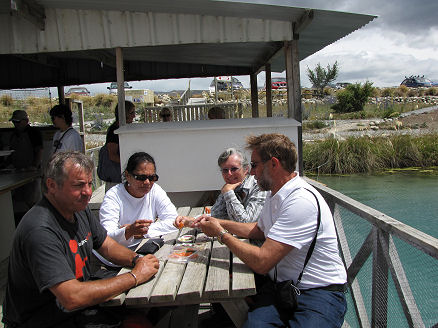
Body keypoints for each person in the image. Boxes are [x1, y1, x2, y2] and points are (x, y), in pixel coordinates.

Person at [180, 133, 347, 327]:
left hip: (319, 292)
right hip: (282, 288)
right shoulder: (275, 193)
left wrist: (220, 234)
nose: (251, 172)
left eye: (255, 165)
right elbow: (259, 230)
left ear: (274, 164)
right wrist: (217, 222)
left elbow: (262, 262)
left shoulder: (301, 201)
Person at [2, 151, 159, 328]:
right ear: (52, 185)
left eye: (90, 184)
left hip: (75, 309)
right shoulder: (40, 230)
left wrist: (137, 260)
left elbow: (106, 245)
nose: (87, 192)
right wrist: (135, 276)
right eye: (78, 186)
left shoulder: (78, 209)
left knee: (146, 313)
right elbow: (71, 297)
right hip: (43, 319)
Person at [94, 151, 178, 267]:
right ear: (127, 176)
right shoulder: (113, 196)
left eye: (152, 177)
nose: (147, 182)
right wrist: (128, 232)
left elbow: (174, 221)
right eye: (141, 177)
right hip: (112, 261)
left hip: (143, 252)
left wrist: (141, 231)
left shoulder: (155, 190)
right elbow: (106, 237)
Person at [6, 110, 43, 225]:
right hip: (17, 172)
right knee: (18, 200)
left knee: (32, 199)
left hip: (31, 173)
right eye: (14, 122)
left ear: (26, 121)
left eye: (17, 122)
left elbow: (39, 150)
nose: (15, 124)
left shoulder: (33, 133)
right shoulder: (14, 135)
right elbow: (11, 153)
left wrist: (34, 166)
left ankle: (39, 223)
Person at [210, 148, 267, 224]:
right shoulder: (230, 187)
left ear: (246, 169)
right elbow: (215, 216)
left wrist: (228, 194)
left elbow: (247, 223)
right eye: (225, 170)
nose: (229, 174)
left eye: (234, 169)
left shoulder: (258, 186)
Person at [104, 100, 136, 191]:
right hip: (115, 178)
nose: (134, 116)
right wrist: (131, 164)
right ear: (124, 114)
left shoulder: (123, 129)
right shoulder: (114, 131)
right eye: (131, 113)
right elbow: (112, 155)